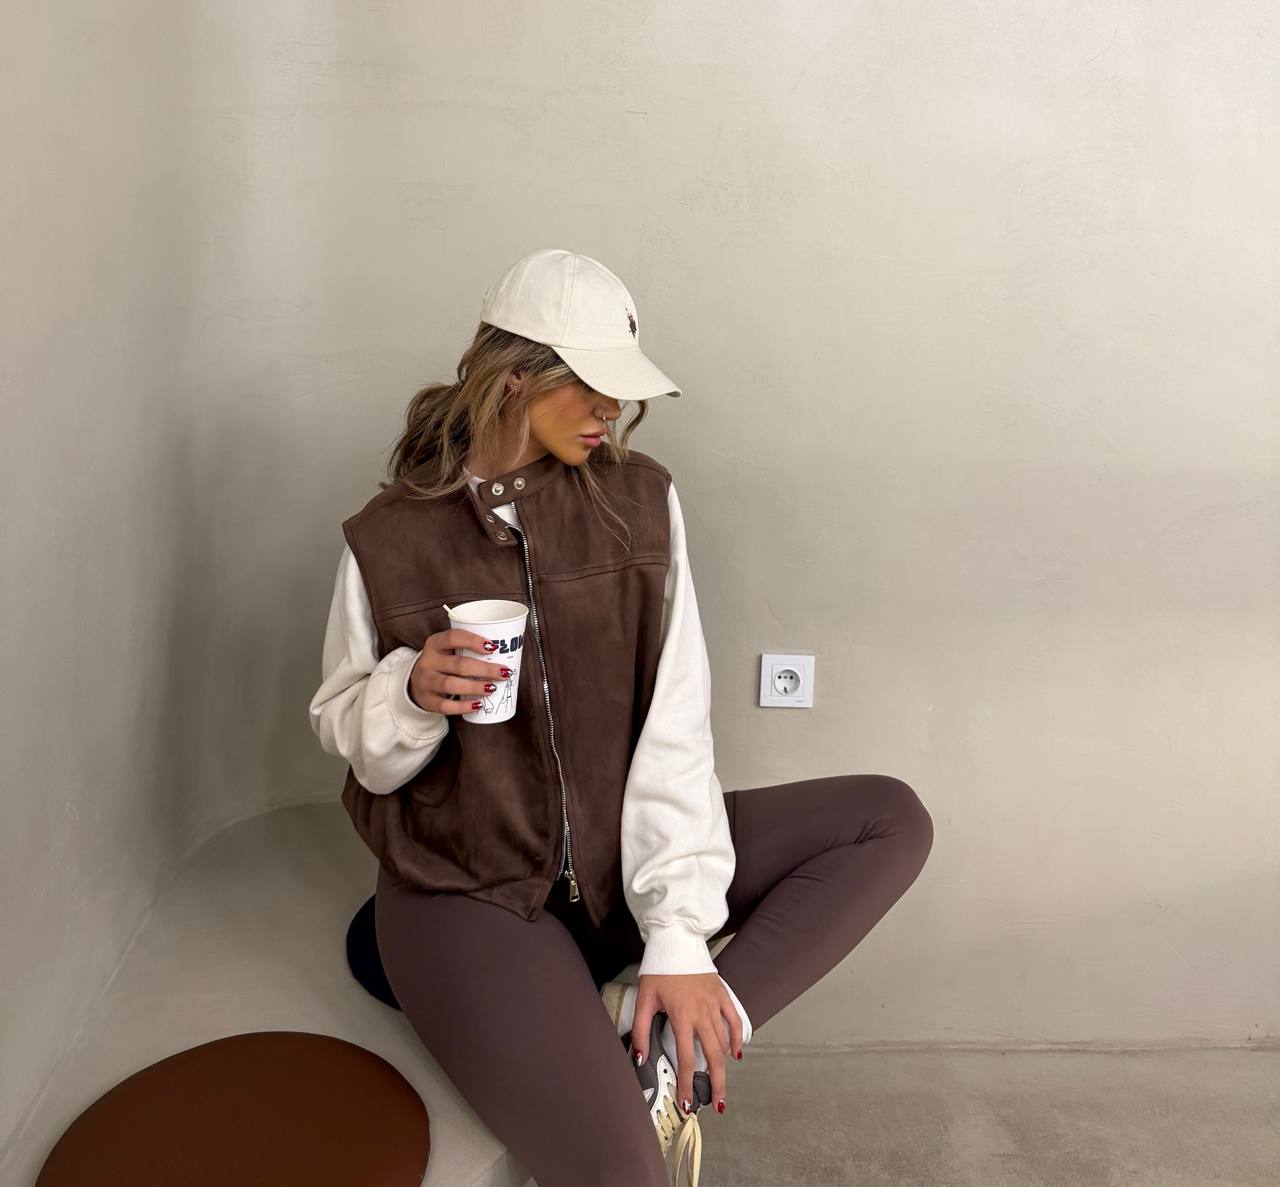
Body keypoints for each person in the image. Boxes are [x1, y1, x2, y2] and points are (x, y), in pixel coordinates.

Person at [308, 249, 934, 1187]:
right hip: (470, 892)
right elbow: (353, 742)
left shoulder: (641, 503)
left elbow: (676, 720)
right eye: (593, 385)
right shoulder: (390, 538)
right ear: (514, 378)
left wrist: (677, 939)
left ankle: (666, 1051)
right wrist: (408, 694)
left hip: (616, 869)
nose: (613, 410)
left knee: (887, 817)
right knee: (624, 1176)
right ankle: (607, 1033)